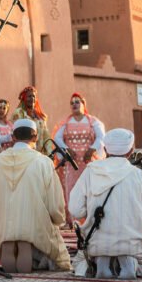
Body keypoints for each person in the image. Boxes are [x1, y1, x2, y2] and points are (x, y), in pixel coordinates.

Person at [0, 118, 71, 273]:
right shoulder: (43, 162)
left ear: (13, 137)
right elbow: (54, 199)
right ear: (35, 137)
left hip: (4, 221)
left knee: (8, 246)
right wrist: (58, 218)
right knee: (25, 245)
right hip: (34, 222)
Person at [69, 128, 142, 279]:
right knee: (137, 254)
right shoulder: (139, 175)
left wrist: (90, 214)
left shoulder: (91, 171)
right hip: (131, 243)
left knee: (81, 260)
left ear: (104, 149)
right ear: (130, 152)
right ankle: (128, 261)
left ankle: (102, 261)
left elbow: (75, 210)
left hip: (96, 241)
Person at [52, 93, 106, 222]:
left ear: (83, 104)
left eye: (77, 102)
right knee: (71, 188)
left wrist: (92, 148)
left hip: (88, 162)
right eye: (72, 103)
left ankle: (89, 219)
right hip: (72, 163)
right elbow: (57, 138)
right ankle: (72, 220)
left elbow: (101, 136)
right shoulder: (65, 123)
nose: (74, 104)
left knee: (89, 188)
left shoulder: (93, 121)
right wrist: (67, 149)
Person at [12, 86, 51, 151]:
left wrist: (50, 153)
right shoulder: (19, 113)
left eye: (34, 96)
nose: (32, 98)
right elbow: (17, 134)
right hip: (24, 152)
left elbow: (46, 136)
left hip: (39, 154)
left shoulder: (40, 116)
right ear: (24, 98)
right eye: (29, 96)